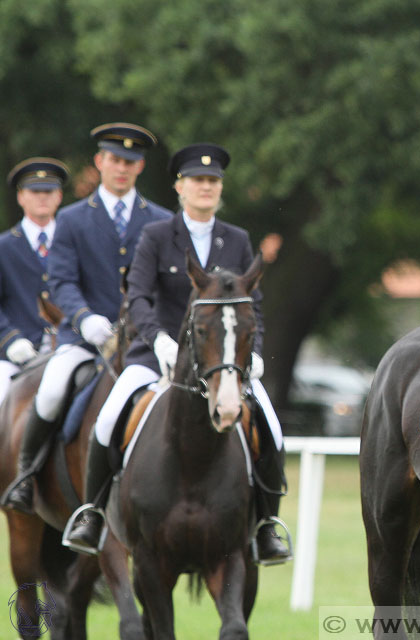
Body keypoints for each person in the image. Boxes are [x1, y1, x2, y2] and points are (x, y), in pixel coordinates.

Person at [63, 143, 292, 564]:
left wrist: (254, 353)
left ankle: (265, 526)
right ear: (180, 187)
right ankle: (92, 514)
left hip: (224, 362)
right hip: (156, 356)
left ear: (220, 189)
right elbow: (139, 296)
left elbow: (251, 305)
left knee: (271, 429)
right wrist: (159, 341)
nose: (206, 188)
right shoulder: (155, 236)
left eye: (213, 181)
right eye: (197, 181)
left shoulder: (237, 239)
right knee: (109, 418)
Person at [2, 124, 172, 513]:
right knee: (49, 390)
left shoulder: (161, 221)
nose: (121, 168)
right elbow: (61, 281)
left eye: (130, 162)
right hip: (84, 338)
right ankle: (26, 477)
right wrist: (84, 319)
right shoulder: (73, 219)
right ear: (99, 162)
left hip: (142, 342)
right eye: (114, 159)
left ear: (141, 166)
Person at [0, 158, 68, 404]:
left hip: (68, 348)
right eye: (34, 191)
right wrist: (10, 339)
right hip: (15, 355)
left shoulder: (71, 243)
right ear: (21, 197)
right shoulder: (3, 247)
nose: (42, 197)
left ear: (59, 196)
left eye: (48, 191)